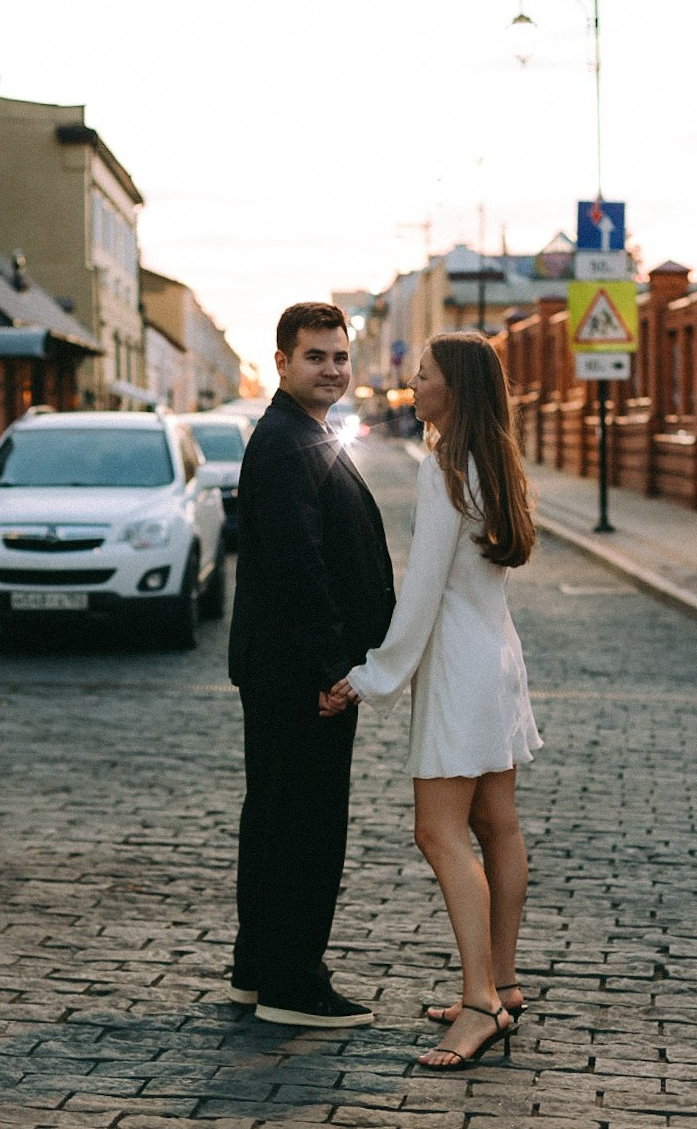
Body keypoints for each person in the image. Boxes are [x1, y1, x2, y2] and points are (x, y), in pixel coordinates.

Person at [333, 332, 542, 1070]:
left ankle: (480, 1003)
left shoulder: (445, 469)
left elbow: (419, 594)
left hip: (458, 666)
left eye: (421, 376)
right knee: (497, 823)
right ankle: (504, 983)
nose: (410, 386)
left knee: (438, 832)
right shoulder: (495, 458)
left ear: (452, 388)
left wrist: (370, 677)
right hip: (496, 658)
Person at [228, 302, 395, 1027]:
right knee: (305, 825)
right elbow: (300, 567)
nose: (331, 369)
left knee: (272, 817)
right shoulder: (288, 441)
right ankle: (294, 984)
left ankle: (257, 968)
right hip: (302, 675)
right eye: (315, 356)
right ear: (282, 363)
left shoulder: (299, 433)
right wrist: (334, 668)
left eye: (339, 356)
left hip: (283, 669)